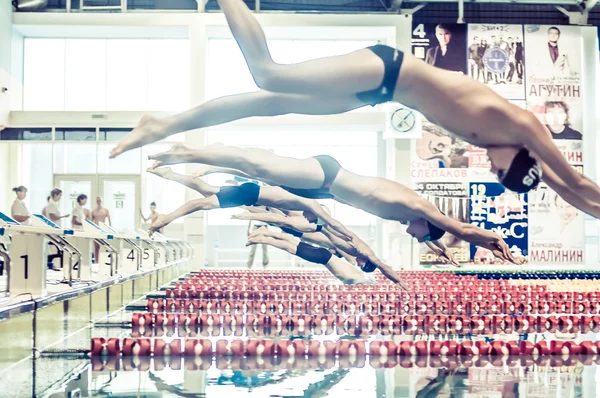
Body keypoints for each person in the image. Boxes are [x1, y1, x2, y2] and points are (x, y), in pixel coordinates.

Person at [108, 0, 600, 219]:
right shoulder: (520, 125)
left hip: (379, 93)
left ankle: (168, 125)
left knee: (270, 102)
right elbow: (576, 183)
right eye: (500, 171)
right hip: (387, 71)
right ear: (518, 157)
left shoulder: (502, 143)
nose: (489, 166)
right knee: (270, 76)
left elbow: (560, 186)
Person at [148, 145, 520, 263]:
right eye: (421, 235)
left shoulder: (415, 220)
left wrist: (446, 255)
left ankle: (209, 169)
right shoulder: (424, 211)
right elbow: (465, 230)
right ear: (430, 224)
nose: (413, 236)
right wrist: (496, 240)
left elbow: (433, 240)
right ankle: (189, 153)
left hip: (325, 190)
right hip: (328, 176)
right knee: (257, 165)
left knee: (265, 179)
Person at [147, 167, 409, 286]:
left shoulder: (304, 210)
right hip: (251, 193)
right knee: (201, 202)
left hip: (252, 195)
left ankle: (169, 176)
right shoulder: (310, 218)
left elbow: (279, 216)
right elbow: (283, 220)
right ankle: (166, 218)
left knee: (207, 192)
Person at [246, 227, 375, 285]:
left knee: (294, 243)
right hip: (322, 257)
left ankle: (265, 232)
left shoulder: (358, 274)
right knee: (292, 247)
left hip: (323, 256)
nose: (360, 265)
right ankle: (263, 239)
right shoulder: (358, 279)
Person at [92, 196, 111, 264]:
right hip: (96, 229)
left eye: (99, 200)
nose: (98, 202)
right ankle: (97, 261)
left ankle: (103, 261)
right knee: (96, 246)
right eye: (97, 201)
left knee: (103, 246)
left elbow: (109, 221)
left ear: (101, 201)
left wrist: (109, 229)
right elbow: (91, 221)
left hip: (103, 230)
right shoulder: (94, 211)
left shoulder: (105, 210)